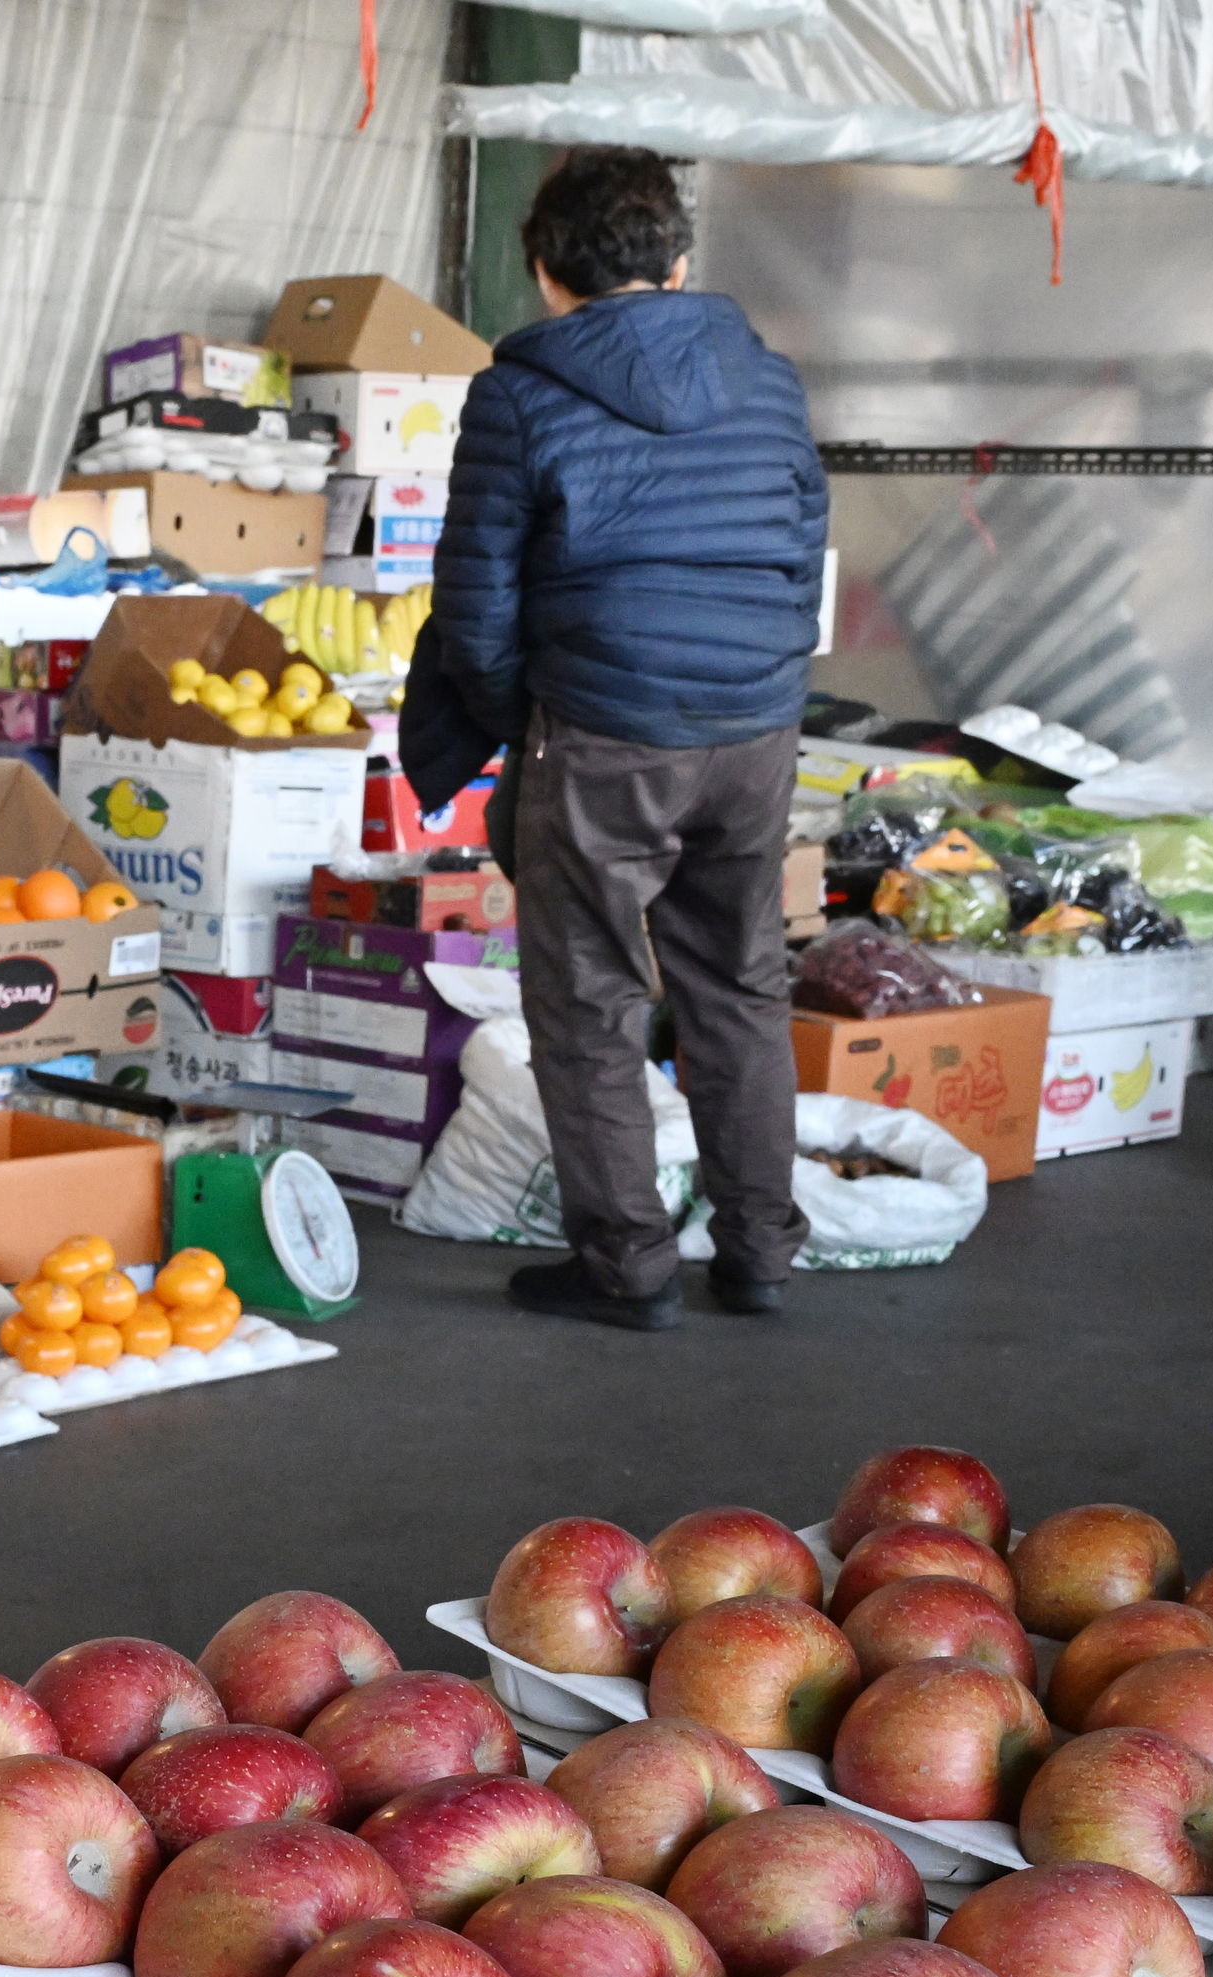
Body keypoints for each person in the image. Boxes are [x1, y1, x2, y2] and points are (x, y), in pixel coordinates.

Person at [406, 145, 829, 1331]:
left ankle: (627, 1266)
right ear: (680, 262)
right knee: (740, 988)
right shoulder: (770, 381)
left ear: (544, 272)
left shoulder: (518, 393)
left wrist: (516, 720)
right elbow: (803, 553)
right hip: (753, 729)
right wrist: (763, 683)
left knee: (588, 998)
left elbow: (475, 601)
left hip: (601, 726)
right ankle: (758, 1252)